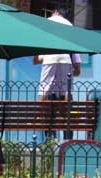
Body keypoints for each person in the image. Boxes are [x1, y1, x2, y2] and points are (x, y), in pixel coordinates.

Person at [32, 10, 81, 140]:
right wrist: (73, 72)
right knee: (66, 89)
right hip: (66, 58)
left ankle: (39, 114)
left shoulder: (46, 22)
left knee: (44, 86)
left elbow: (35, 59)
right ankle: (66, 116)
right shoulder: (69, 24)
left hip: (49, 56)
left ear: (55, 12)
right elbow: (77, 67)